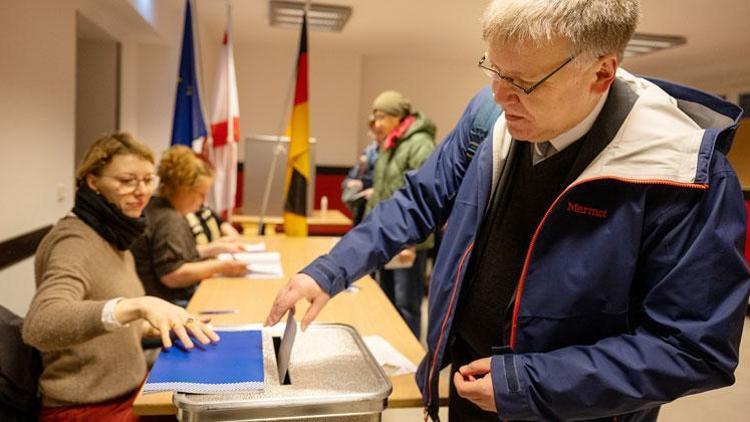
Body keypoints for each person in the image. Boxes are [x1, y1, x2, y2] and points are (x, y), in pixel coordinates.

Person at [265, 0, 750, 420]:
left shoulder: (685, 173)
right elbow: (418, 201)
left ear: (601, 73)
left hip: (572, 408)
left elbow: (693, 348)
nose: (499, 95)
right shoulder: (490, 115)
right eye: (493, 70)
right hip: (470, 386)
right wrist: (331, 269)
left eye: (523, 82)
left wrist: (526, 382)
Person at [22, 133, 219, 421]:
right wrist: (139, 306)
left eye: (147, 180)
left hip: (129, 393)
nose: (142, 191)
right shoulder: (73, 240)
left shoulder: (114, 236)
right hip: (87, 409)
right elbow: (39, 324)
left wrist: (160, 323)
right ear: (93, 183)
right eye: (127, 181)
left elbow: (108, 321)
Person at [131, 145, 247, 307]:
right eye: (201, 194)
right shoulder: (169, 220)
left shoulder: (156, 207)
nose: (203, 200)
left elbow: (172, 254)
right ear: (183, 190)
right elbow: (172, 275)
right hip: (169, 303)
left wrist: (212, 248)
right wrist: (222, 266)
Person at [368, 90, 436, 338]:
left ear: (398, 116)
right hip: (387, 236)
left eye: (381, 117)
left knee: (407, 304)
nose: (376, 124)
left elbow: (424, 196)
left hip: (408, 241)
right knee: (386, 300)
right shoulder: (391, 143)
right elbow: (381, 193)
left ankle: (409, 360)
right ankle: (390, 350)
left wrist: (411, 242)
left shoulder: (420, 144)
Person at [341, 116, 380, 225]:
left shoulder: (392, 154)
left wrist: (376, 192)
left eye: (378, 132)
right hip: (362, 210)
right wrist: (351, 183)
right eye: (373, 132)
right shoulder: (368, 152)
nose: (374, 136)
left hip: (379, 210)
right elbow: (348, 180)